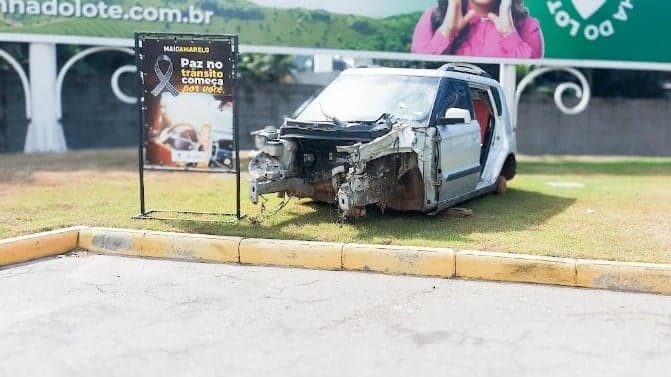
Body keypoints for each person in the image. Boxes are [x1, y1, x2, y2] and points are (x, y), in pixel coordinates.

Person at [411, 0, 543, 59]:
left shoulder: (527, 25)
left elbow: (530, 81)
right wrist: (446, 32)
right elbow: (419, 69)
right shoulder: (432, 17)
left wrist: (508, 34)